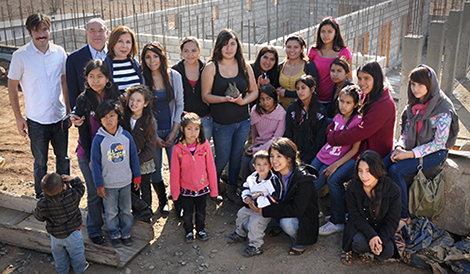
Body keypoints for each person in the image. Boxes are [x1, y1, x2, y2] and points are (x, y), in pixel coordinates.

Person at [383, 65, 459, 227]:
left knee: (396, 170)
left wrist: (409, 155)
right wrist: (399, 147)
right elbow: (405, 132)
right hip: (413, 146)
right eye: (413, 84)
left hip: (435, 152)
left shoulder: (442, 108)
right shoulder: (413, 103)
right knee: (382, 165)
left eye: (420, 85)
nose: (415, 89)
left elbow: (439, 142)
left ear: (430, 85)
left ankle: (404, 217)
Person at [8, 13, 70, 198]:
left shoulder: (59, 52)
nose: (41, 34)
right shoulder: (20, 56)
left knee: (63, 159)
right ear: (29, 33)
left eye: (44, 29)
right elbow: (12, 85)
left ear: (49, 30)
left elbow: (64, 80)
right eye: (36, 30)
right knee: (40, 162)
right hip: (36, 121)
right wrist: (19, 118)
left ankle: (64, 192)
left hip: (59, 117)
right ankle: (41, 196)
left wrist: (68, 108)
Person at [201, 29, 258, 204]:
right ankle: (212, 187)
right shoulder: (212, 67)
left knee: (236, 158)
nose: (229, 48)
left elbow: (254, 91)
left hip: (243, 121)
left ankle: (232, 189)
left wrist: (244, 102)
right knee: (222, 158)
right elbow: (206, 96)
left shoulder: (244, 66)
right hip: (222, 124)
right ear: (219, 46)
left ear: (237, 45)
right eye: (225, 44)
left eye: (232, 44)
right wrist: (224, 99)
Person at [72, 59, 121, 245]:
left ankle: (113, 226)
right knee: (94, 192)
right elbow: (83, 132)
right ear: (86, 79)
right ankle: (94, 230)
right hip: (88, 152)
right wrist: (92, 158)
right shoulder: (83, 100)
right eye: (91, 76)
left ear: (107, 78)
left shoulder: (115, 96)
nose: (95, 80)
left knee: (110, 189)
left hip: (111, 152)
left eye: (99, 76)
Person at [250, 138, 319, 255]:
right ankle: (278, 225)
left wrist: (264, 211)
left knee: (287, 223)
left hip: (302, 217)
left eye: (279, 156)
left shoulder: (303, 179)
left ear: (289, 158)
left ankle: (301, 242)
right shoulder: (273, 173)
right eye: (271, 156)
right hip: (280, 209)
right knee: (249, 225)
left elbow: (296, 210)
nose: (274, 160)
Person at [311, 85, 362, 235]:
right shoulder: (338, 116)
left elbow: (354, 149)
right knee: (309, 181)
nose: (343, 105)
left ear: (356, 104)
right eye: (341, 101)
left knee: (318, 183)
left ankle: (336, 217)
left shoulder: (357, 121)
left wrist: (336, 165)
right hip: (322, 155)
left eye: (348, 103)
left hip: (333, 160)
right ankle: (313, 211)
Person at [91, 100, 141, 248]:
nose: (109, 120)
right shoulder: (98, 140)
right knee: (111, 212)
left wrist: (137, 177)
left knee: (126, 210)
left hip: (126, 182)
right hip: (108, 185)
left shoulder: (126, 136)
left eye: (112, 116)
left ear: (118, 117)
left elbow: (133, 157)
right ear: (100, 120)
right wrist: (99, 185)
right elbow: (95, 165)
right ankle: (114, 234)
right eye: (105, 117)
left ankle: (126, 233)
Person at [141, 41, 184, 214]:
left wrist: (174, 131)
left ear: (162, 57)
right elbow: (144, 109)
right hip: (153, 133)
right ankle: (162, 200)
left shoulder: (174, 76)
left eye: (155, 56)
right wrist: (153, 135)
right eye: (148, 57)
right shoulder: (144, 78)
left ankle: (178, 201)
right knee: (155, 169)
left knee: (176, 168)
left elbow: (180, 104)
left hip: (172, 129)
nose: (152, 61)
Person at [341, 150, 401, 265]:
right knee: (360, 244)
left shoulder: (393, 190)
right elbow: (355, 216)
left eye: (368, 171)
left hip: (381, 227)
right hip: (361, 225)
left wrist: (380, 240)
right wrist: (371, 236)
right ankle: (358, 249)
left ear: (377, 170)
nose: (363, 176)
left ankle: (372, 247)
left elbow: (392, 220)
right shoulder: (353, 187)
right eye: (360, 171)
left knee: (387, 252)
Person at [327, 61, 396, 159]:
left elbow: (361, 131)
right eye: (359, 78)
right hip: (357, 145)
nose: (361, 83)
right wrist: (331, 130)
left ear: (376, 79)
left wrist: (333, 137)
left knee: (333, 174)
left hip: (370, 154)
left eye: (366, 79)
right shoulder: (367, 94)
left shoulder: (384, 104)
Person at [170, 112, 218, 243]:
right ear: (182, 129)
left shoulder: (204, 145)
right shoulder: (177, 149)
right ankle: (189, 231)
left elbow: (211, 168)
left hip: (202, 187)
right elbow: (174, 173)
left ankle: (201, 230)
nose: (193, 132)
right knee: (187, 213)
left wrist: (214, 190)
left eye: (196, 129)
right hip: (186, 189)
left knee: (201, 211)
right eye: (189, 129)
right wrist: (175, 193)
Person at [226, 150, 282, 257]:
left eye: (265, 164)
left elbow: (275, 198)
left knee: (255, 224)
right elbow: (246, 187)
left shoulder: (272, 180)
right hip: (250, 205)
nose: (262, 167)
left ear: (270, 166)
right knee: (241, 214)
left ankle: (256, 245)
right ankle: (240, 233)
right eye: (258, 164)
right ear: (254, 166)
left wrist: (257, 203)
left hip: (264, 210)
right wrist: (246, 197)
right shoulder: (251, 178)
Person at [34, 173, 88, 274]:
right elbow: (81, 188)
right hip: (74, 233)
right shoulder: (72, 195)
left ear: (44, 191)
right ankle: (80, 269)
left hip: (55, 236)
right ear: (64, 186)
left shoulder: (43, 204)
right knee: (77, 253)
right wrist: (72, 180)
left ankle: (63, 270)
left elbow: (38, 217)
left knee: (59, 255)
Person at [122, 85, 157, 217]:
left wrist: (136, 162)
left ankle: (146, 213)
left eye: (138, 101)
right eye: (131, 99)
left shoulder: (149, 121)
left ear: (145, 103)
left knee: (145, 188)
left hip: (143, 161)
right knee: (131, 188)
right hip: (126, 160)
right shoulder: (124, 118)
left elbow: (150, 147)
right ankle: (136, 213)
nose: (134, 103)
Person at [241, 84, 286, 179]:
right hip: (258, 145)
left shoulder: (281, 114)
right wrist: (253, 146)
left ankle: (261, 189)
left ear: (275, 98)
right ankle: (246, 188)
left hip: (272, 148)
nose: (265, 102)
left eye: (268, 98)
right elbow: (254, 132)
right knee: (245, 161)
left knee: (253, 164)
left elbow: (276, 139)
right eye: (262, 99)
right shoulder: (255, 111)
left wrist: (255, 150)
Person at [308, 17, 352, 111]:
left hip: (335, 102)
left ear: (336, 33)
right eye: (322, 31)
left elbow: (349, 78)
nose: (325, 35)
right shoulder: (314, 50)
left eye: (329, 31)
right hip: (314, 100)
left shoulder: (344, 52)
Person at [172, 37, 212, 139]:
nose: (190, 55)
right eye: (186, 51)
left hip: (205, 119)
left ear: (199, 51)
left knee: (202, 151)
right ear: (181, 52)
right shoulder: (175, 71)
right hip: (184, 121)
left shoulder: (207, 68)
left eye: (194, 51)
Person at [66, 18, 108, 109]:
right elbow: (73, 91)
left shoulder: (116, 54)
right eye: (92, 31)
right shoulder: (74, 59)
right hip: (88, 114)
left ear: (107, 33)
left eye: (101, 31)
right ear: (86, 33)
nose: (97, 34)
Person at [284, 75, 327, 164]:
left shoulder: (320, 111)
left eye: (303, 88)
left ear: (312, 89)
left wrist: (307, 158)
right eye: (298, 89)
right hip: (293, 154)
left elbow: (319, 140)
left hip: (314, 155)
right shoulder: (292, 108)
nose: (300, 91)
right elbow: (288, 133)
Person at [277, 34, 319, 108]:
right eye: (289, 47)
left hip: (302, 110)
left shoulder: (308, 66)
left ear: (302, 49)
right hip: (282, 110)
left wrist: (287, 93)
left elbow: (314, 90)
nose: (292, 50)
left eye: (296, 47)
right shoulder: (280, 67)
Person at [105, 26, 143, 92]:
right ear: (112, 43)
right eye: (120, 41)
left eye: (128, 42)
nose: (124, 46)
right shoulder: (105, 66)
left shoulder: (136, 65)